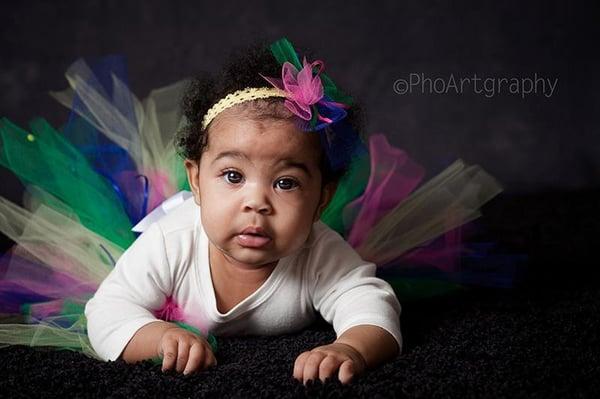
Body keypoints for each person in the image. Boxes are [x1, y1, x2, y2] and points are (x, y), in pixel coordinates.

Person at [0, 37, 506, 385]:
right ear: (196, 180)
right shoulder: (173, 241)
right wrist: (156, 335)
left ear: (322, 199)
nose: (256, 201)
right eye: (232, 176)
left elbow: (372, 305)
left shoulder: (319, 252)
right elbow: (106, 312)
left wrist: (351, 346)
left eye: (285, 183)